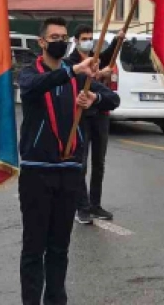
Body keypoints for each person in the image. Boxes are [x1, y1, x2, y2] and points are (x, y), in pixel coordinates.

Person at [17, 17, 120, 305]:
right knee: (34, 248)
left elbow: (113, 98)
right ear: (42, 42)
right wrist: (72, 70)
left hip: (70, 170)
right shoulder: (29, 74)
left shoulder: (79, 79)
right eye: (54, 36)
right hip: (37, 171)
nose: (60, 41)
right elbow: (34, 87)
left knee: (60, 248)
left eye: (64, 36)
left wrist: (94, 101)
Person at [66, 25, 120, 225]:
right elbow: (77, 79)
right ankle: (82, 207)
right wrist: (97, 76)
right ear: (76, 40)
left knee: (99, 163)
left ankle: (95, 204)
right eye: (85, 38)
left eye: (91, 38)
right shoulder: (71, 62)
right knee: (81, 163)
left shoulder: (96, 58)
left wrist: (117, 40)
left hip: (100, 115)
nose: (88, 41)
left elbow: (108, 55)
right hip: (81, 117)